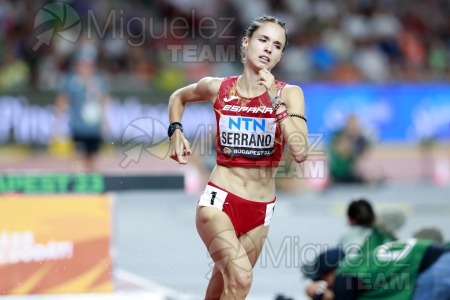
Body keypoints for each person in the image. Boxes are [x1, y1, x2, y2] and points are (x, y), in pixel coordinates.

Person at [168, 15, 308, 299]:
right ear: (247, 43)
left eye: (277, 45)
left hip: (260, 210)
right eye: (263, 40)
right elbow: (177, 98)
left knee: (225, 281)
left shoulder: (289, 94)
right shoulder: (218, 88)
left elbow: (301, 150)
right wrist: (175, 131)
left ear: (280, 56)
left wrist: (275, 102)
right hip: (219, 201)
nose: (269, 48)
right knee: (242, 278)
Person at [302, 239, 450, 300]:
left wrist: (320, 294)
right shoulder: (363, 262)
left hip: (431, 272)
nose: (327, 284)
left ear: (331, 271)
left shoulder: (343, 274)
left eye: (323, 279)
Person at [54, 44, 109, 173]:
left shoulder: (99, 80)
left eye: (89, 64)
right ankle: (76, 184)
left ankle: (90, 185)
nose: (86, 67)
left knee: (92, 159)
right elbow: (61, 101)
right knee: (78, 157)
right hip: (78, 127)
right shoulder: (71, 80)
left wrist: (104, 123)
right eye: (83, 63)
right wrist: (56, 124)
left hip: (94, 128)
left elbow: (104, 102)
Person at [327, 114, 371, 184]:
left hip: (352, 174)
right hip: (336, 175)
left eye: (354, 124)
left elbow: (365, 154)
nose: (352, 126)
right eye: (350, 123)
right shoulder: (338, 135)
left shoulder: (360, 139)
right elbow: (341, 151)